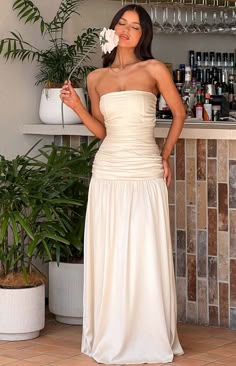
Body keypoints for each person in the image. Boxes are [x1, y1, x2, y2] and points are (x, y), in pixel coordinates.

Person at [60, 4, 186, 365]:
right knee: (112, 249)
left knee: (144, 249)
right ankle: (113, 331)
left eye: (135, 26)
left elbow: (179, 113)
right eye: (122, 24)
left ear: (144, 33)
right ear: (112, 30)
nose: (127, 30)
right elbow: (102, 131)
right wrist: (76, 106)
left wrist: (165, 155)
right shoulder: (95, 79)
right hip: (109, 169)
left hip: (145, 167)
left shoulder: (154, 69)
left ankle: (147, 332)